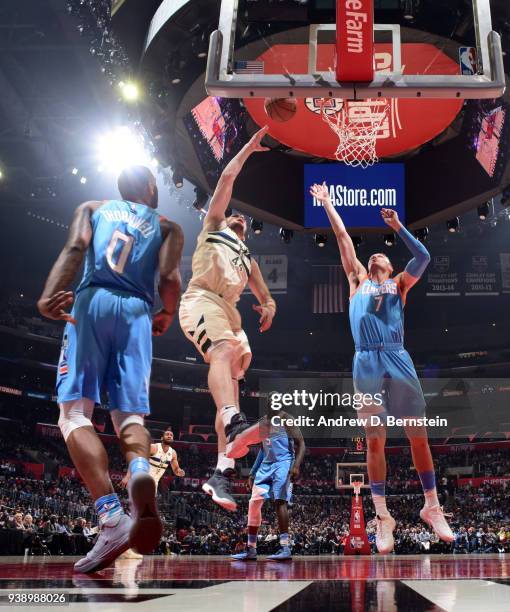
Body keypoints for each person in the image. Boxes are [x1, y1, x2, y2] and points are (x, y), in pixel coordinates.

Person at [37, 165, 183, 572]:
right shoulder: (169, 226)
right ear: (152, 189)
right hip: (137, 311)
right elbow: (170, 277)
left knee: (74, 414)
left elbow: (74, 250)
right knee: (129, 416)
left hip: (92, 302)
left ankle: (111, 516)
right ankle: (139, 469)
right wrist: (166, 313)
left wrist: (49, 294)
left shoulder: (94, 206)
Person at [309, 182, 454, 554]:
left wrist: (399, 228)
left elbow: (423, 257)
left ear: (389, 267)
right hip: (365, 360)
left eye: (381, 256)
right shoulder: (356, 280)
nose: (374, 256)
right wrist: (326, 203)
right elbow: (342, 236)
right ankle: (382, 515)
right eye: (371, 256)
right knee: (375, 440)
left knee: (417, 435)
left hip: (396, 356)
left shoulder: (399, 284)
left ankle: (432, 505)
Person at [179, 126, 277, 511]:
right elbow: (226, 178)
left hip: (232, 315)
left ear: (247, 233)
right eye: (238, 218)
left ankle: (221, 472)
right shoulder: (214, 226)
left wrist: (268, 308)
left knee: (232, 391)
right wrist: (249, 149)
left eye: (245, 223)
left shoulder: (249, 258)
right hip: (202, 298)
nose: (241, 221)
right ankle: (234, 420)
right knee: (220, 353)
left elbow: (267, 296)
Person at [230, 412, 305, 561]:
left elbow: (301, 443)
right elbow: (263, 449)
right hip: (266, 466)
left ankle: (285, 548)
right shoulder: (263, 422)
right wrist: (252, 473)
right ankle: (251, 549)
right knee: (254, 503)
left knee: (280, 501)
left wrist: (296, 465)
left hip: (283, 463)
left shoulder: (287, 419)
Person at [120, 427, 185, 559]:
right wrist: (127, 476)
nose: (169, 435)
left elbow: (176, 468)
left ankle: (127, 544)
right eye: (166, 434)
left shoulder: (173, 453)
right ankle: (126, 545)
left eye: (171, 434)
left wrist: (179, 472)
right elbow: (136, 458)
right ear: (162, 438)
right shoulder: (154, 448)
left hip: (152, 485)